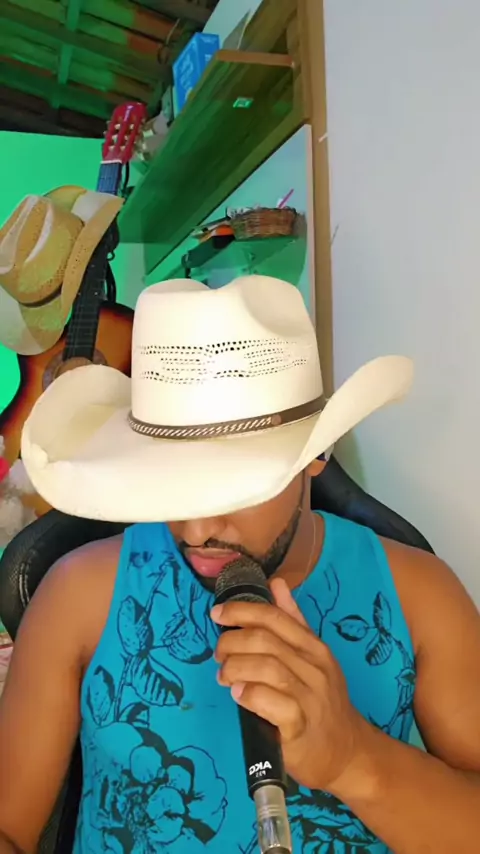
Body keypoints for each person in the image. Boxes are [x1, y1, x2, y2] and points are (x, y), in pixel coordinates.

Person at [0, 275, 479, 854]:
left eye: (235, 484)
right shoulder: (79, 595)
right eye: (171, 479)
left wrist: (354, 757)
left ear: (315, 455)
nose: (196, 529)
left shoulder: (420, 596)